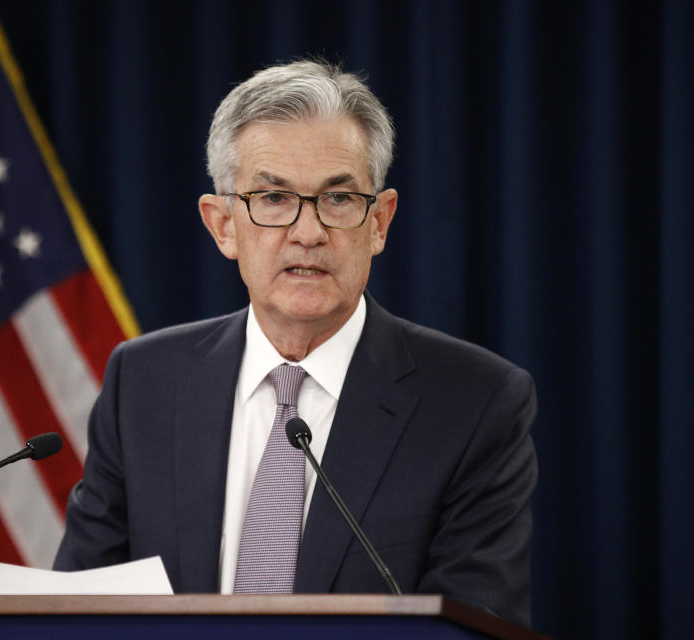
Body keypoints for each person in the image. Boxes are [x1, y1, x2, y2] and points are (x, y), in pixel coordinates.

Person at [53, 59, 538, 628]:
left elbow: (472, 624)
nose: (308, 233)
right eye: (274, 199)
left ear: (379, 222)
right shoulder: (144, 382)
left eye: (338, 200)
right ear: (223, 226)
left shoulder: (475, 403)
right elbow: (78, 609)